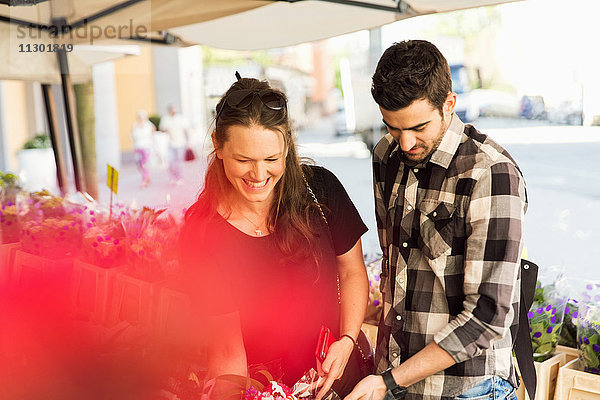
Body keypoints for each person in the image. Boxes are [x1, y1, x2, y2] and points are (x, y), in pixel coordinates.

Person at [345, 40, 527, 400]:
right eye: (393, 128)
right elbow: (394, 263)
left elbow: (487, 317)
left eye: (418, 127)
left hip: (467, 388)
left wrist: (390, 381)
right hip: (392, 376)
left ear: (449, 103)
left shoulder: (490, 174)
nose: (406, 142)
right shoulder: (386, 154)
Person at [178, 77, 370, 399]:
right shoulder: (202, 235)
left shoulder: (321, 189)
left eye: (271, 159)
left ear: (287, 146)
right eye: (244, 160)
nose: (259, 175)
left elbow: (351, 271)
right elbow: (227, 353)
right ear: (218, 145)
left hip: (341, 381)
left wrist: (347, 340)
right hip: (264, 391)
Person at [159, 104, 189, 184]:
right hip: (170, 143)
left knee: (179, 162)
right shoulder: (165, 119)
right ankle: (173, 177)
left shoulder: (181, 118)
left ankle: (180, 178)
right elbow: (161, 129)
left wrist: (188, 143)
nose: (173, 111)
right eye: (171, 109)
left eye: (174, 109)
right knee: (171, 162)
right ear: (169, 110)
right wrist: (165, 130)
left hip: (181, 143)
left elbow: (186, 131)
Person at [130, 109, 155, 188]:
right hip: (138, 147)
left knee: (144, 164)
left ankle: (144, 181)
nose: (140, 118)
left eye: (142, 117)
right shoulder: (135, 125)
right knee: (139, 165)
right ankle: (147, 177)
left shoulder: (149, 125)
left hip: (146, 147)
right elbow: (132, 136)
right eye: (139, 117)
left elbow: (152, 134)